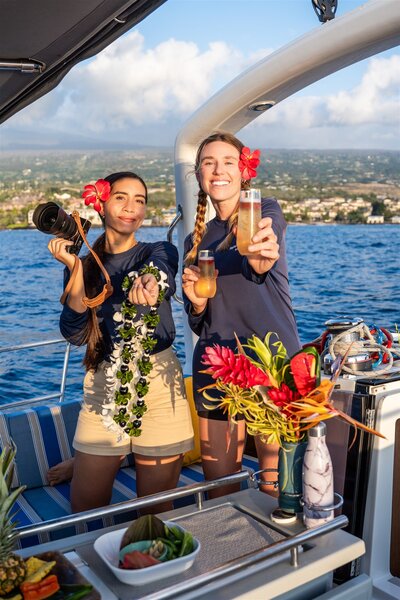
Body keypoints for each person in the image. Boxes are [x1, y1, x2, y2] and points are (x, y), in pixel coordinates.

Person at [47, 171, 194, 513]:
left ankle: (106, 456)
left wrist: (151, 283)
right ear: (101, 204)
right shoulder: (84, 265)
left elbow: (161, 274)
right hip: (104, 380)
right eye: (121, 198)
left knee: (154, 512)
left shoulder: (159, 250)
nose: (132, 208)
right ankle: (92, 457)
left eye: (139, 200)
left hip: (158, 382)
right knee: (85, 509)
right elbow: (74, 332)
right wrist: (75, 268)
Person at [182, 132, 300, 499]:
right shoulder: (193, 242)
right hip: (217, 364)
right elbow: (199, 323)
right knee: (220, 490)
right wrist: (197, 304)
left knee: (276, 486)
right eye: (208, 163)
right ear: (200, 175)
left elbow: (263, 250)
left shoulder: (264, 211)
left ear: (244, 169)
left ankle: (280, 555)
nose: (218, 170)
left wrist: (261, 256)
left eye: (228, 161)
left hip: (271, 360)